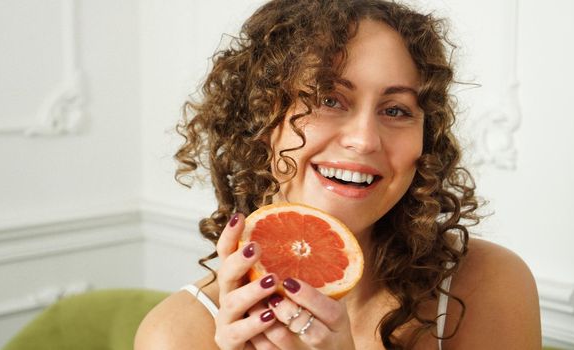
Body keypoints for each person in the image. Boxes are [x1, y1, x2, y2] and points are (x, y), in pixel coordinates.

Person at [135, 0, 541, 349]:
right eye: (329, 99)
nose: (365, 140)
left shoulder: (487, 285)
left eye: (396, 110)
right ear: (260, 121)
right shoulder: (176, 335)